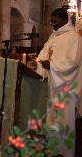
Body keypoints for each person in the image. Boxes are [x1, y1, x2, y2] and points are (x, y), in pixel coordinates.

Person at [27, 8, 82, 157]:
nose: (52, 24)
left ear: (64, 19)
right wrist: (36, 64)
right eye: (51, 21)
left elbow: (74, 62)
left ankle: (66, 152)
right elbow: (43, 56)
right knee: (52, 120)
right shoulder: (53, 36)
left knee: (65, 121)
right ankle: (54, 150)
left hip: (66, 86)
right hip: (52, 85)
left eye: (55, 21)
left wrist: (51, 65)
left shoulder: (74, 37)